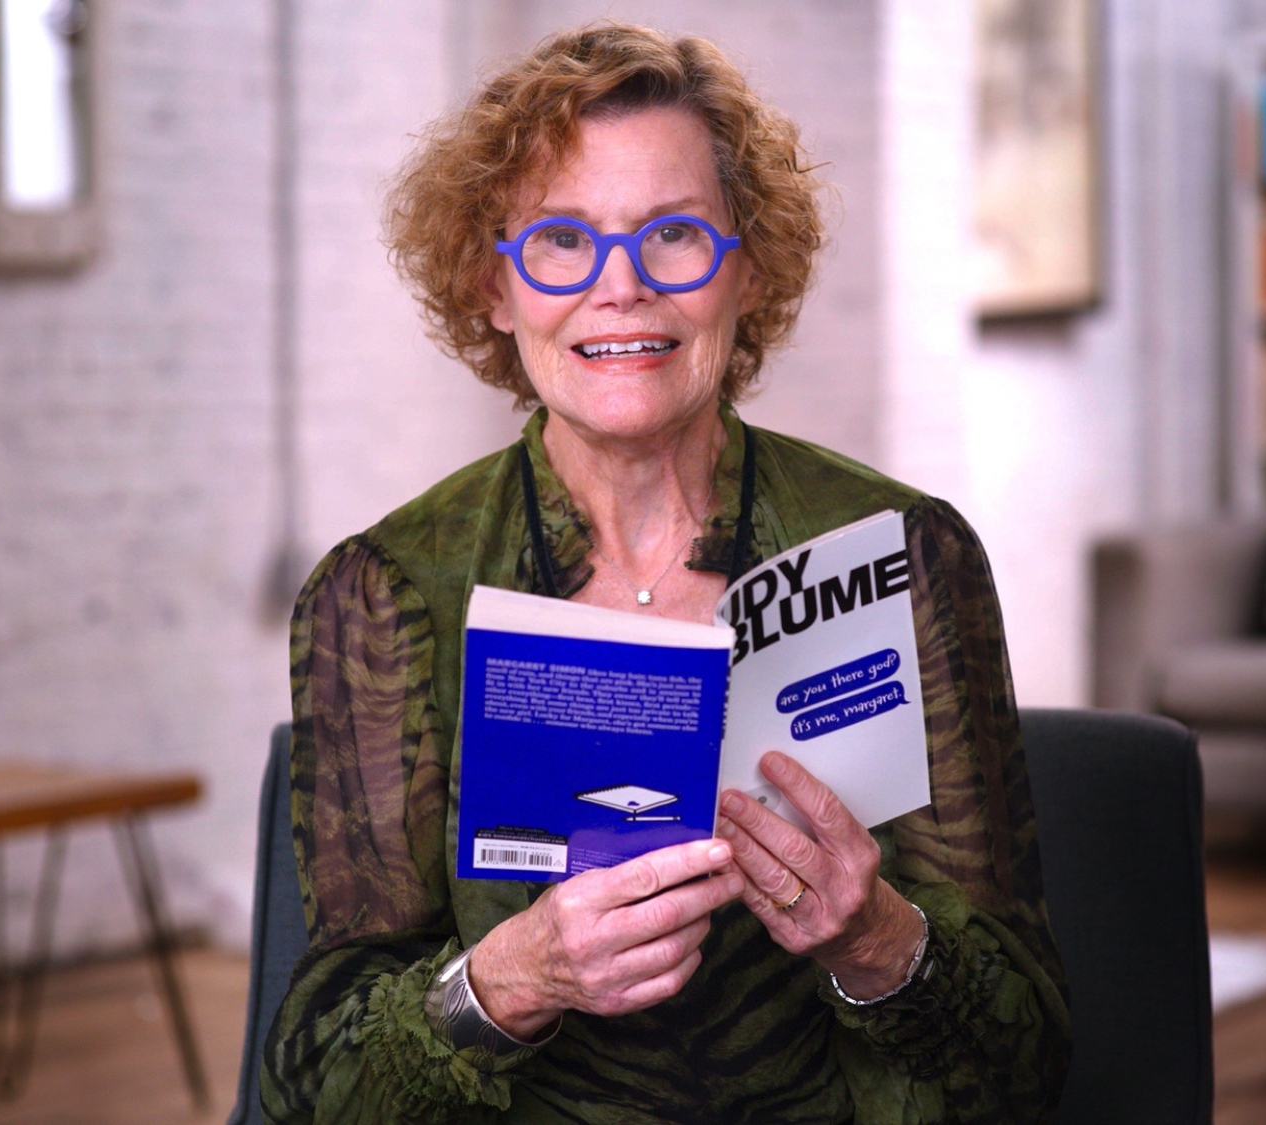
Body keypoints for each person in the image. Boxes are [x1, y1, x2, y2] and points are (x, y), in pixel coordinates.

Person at [264, 22, 1069, 1125]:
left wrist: (873, 934)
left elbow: (1028, 1058)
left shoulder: (904, 552)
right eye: (558, 240)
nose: (621, 287)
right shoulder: (384, 595)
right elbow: (319, 1082)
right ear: (491, 288)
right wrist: (512, 979)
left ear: (746, 268)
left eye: (675, 237)